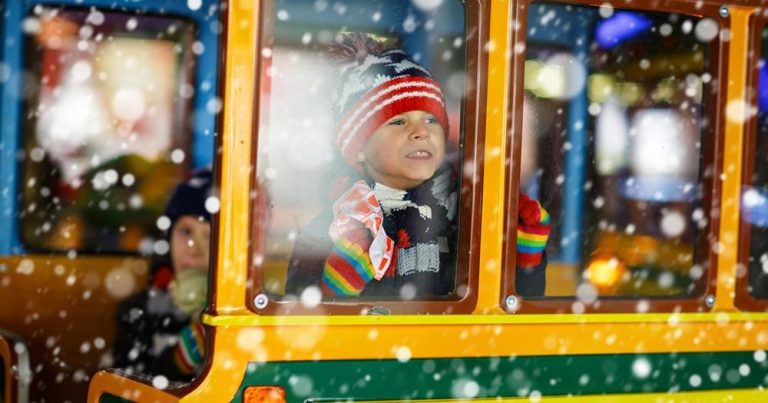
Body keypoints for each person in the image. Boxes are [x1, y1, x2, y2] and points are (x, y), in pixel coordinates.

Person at [285, 33, 549, 299]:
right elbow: (297, 328)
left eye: (431, 120)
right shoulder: (329, 230)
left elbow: (510, 316)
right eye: (398, 122)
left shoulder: (471, 214)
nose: (421, 132)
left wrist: (526, 259)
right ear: (360, 149)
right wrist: (333, 292)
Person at [112, 168, 213, 382]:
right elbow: (127, 389)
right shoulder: (140, 311)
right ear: (169, 237)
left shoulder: (238, 313)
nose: (194, 247)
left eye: (210, 236)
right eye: (186, 232)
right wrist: (179, 359)